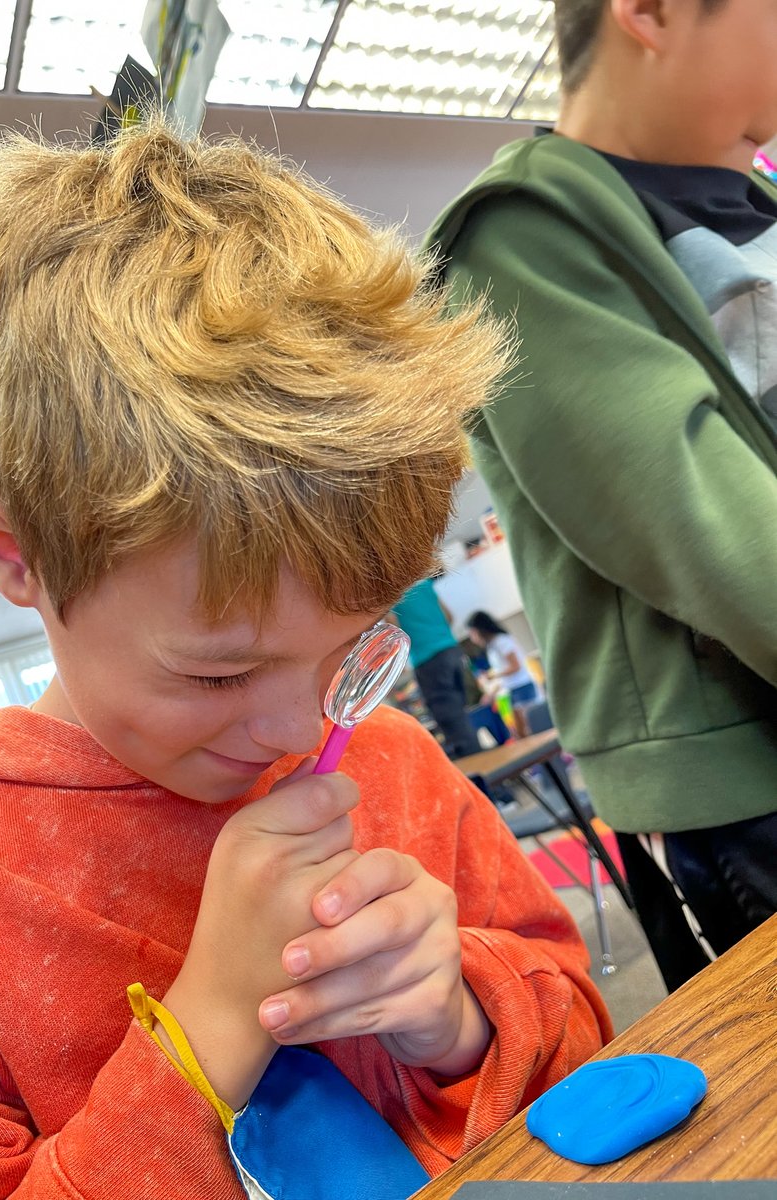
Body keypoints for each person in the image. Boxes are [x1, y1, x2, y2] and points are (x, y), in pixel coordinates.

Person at [0, 118, 610, 1196]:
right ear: (14, 555)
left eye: (354, 648)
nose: (305, 730)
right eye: (217, 674)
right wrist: (214, 1017)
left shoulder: (394, 764)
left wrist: (450, 1017)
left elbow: (581, 1034)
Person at [425, 0, 777, 991]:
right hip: (739, 788)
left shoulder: (745, 205)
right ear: (652, 12)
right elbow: (703, 522)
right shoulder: (519, 241)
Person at [391, 578, 482, 758]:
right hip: (451, 650)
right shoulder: (424, 584)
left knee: (451, 721)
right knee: (460, 713)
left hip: (428, 659)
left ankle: (480, 776)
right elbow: (449, 616)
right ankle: (483, 766)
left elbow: (394, 629)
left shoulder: (393, 596)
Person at [466, 610, 540, 711]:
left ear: (480, 630)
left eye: (472, 633)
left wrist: (493, 675)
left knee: (533, 722)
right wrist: (491, 693)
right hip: (511, 689)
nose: (472, 638)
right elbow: (503, 675)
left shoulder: (502, 641)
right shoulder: (492, 646)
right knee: (519, 725)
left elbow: (516, 666)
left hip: (522, 687)